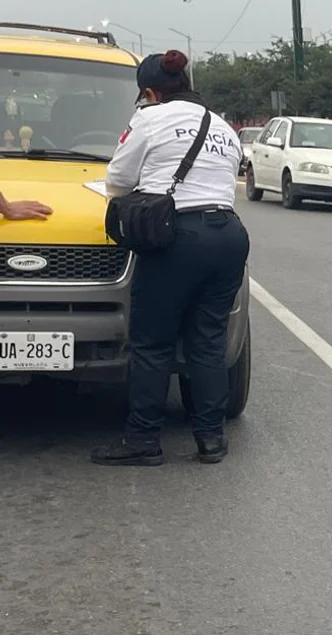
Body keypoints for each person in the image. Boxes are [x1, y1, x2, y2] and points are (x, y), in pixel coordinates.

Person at [91, 50, 248, 467]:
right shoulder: (221, 125)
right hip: (228, 236)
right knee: (208, 341)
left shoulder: (149, 119)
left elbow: (118, 181)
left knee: (152, 343)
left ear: (149, 92)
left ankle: (143, 439)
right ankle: (211, 440)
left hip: (177, 238)